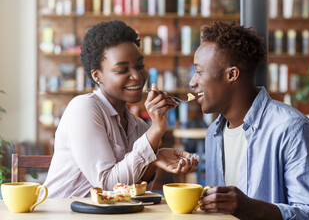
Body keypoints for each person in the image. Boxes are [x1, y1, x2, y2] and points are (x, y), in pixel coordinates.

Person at [189, 21, 309, 219]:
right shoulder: (213, 133)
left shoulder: (291, 129)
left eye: (199, 71)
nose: (192, 82)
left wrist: (250, 208)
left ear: (231, 74)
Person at [44, 20, 197, 198]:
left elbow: (134, 193)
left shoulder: (139, 127)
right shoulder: (83, 108)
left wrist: (154, 158)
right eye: (122, 69)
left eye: (140, 66)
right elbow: (108, 188)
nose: (137, 76)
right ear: (97, 75)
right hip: (62, 213)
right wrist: (155, 131)